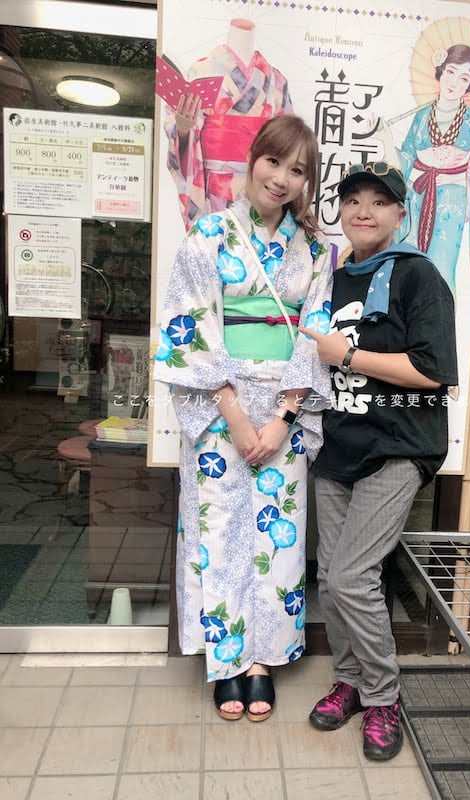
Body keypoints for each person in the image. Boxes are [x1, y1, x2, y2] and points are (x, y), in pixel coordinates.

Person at [154, 115, 331, 723]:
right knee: (220, 531)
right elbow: (190, 325)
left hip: (286, 406)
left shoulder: (315, 251)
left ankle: (262, 660)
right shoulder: (209, 235)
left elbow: (314, 333)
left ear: (307, 182)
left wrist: (284, 418)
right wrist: (232, 414)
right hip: (218, 403)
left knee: (279, 540)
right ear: (253, 159)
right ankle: (227, 659)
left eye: (297, 170)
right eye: (273, 162)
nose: (281, 179)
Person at [300, 161, 457, 760]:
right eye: (353, 200)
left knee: (351, 576)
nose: (363, 211)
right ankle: (350, 681)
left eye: (379, 201)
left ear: (399, 213)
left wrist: (347, 355)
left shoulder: (418, 276)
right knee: (331, 579)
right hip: (339, 444)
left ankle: (384, 696)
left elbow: (433, 372)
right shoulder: (333, 278)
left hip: (398, 445)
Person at [164, 19, 293, 231]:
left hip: (262, 189)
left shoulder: (277, 80)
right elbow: (182, 141)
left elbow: (288, 143)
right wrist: (184, 129)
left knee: (259, 243)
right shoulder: (201, 70)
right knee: (214, 240)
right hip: (213, 188)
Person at [386, 44, 470, 296]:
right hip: (417, 194)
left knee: (442, 266)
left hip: (451, 200)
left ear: (469, 85)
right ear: (441, 72)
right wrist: (385, 139)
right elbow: (406, 160)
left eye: (464, 78)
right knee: (407, 262)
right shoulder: (422, 116)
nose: (454, 82)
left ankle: (440, 318)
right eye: (451, 72)